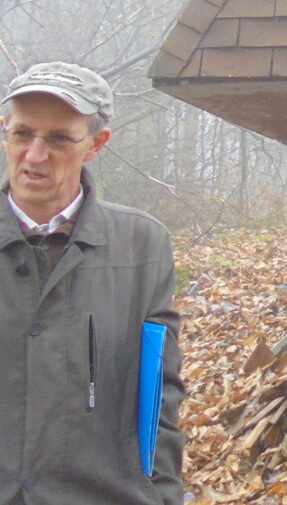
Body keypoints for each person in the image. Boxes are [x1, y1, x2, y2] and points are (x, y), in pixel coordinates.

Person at [1, 62, 183, 505]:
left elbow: (160, 395)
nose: (35, 155)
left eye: (60, 139)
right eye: (22, 134)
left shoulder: (141, 245)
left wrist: (162, 496)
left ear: (97, 144)